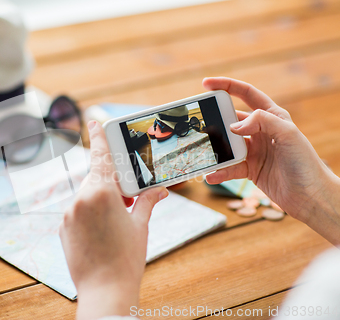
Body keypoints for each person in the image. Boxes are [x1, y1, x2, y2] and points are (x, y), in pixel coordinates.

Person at [59, 77, 340, 320]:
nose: (152, 131)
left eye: (160, 126)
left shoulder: (327, 287)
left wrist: (103, 287)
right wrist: (315, 196)